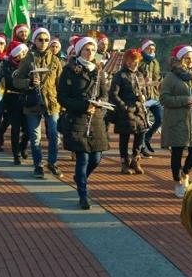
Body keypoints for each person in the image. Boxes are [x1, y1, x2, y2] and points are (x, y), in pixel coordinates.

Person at [57, 36, 109, 209]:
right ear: (79, 51)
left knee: (96, 158)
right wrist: (83, 106)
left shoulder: (99, 71)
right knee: (83, 158)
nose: (90, 53)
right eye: (87, 49)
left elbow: (104, 94)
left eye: (93, 50)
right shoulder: (69, 71)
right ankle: (83, 194)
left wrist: (100, 103)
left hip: (95, 119)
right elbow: (62, 97)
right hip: (77, 119)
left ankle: (80, 178)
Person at [13, 27, 63, 179]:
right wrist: (28, 82)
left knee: (54, 135)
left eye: (46, 40)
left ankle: (52, 163)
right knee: (35, 137)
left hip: (51, 103)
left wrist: (63, 104)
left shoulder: (55, 60)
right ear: (34, 41)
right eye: (40, 39)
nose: (43, 42)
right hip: (33, 102)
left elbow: (60, 85)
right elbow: (16, 81)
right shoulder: (27, 59)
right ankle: (38, 165)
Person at [160, 44, 192, 197]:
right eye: (187, 58)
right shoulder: (171, 77)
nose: (190, 61)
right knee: (177, 152)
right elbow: (163, 98)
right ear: (180, 59)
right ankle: (177, 182)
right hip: (177, 120)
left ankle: (185, 172)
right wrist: (184, 100)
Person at [109, 48, 148, 174]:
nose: (134, 63)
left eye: (136, 61)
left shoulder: (139, 75)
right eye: (132, 61)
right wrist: (124, 107)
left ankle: (135, 159)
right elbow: (113, 95)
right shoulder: (120, 75)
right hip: (125, 111)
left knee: (141, 134)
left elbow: (143, 91)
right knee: (124, 137)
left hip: (138, 110)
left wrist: (143, 97)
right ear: (126, 61)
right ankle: (124, 163)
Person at [2, 41, 29, 164]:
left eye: (24, 52)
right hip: (13, 100)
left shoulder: (29, 64)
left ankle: (23, 146)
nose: (22, 55)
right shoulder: (7, 65)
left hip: (27, 100)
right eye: (20, 53)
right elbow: (9, 82)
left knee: (28, 129)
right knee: (15, 129)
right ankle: (16, 154)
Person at [138, 39, 162, 156]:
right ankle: (141, 147)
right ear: (144, 49)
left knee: (159, 119)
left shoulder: (155, 61)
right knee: (143, 123)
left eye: (153, 49)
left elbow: (158, 76)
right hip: (143, 95)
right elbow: (134, 76)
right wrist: (143, 80)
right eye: (149, 49)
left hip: (154, 95)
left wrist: (159, 82)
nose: (151, 51)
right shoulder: (139, 60)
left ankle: (147, 138)